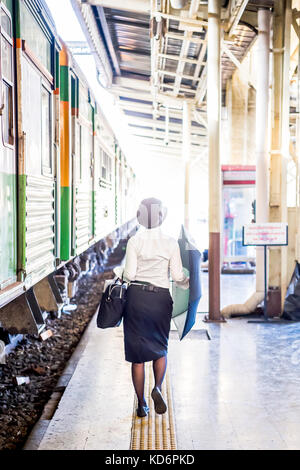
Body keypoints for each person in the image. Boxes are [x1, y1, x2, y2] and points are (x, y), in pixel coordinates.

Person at [122, 197, 189, 418]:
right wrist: (188, 282)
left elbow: (130, 275)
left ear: (140, 217)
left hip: (136, 300)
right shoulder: (171, 243)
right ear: (162, 217)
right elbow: (178, 276)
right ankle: (157, 388)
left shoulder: (135, 241)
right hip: (160, 300)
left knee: (137, 357)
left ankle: (141, 405)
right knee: (160, 348)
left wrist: (122, 275)